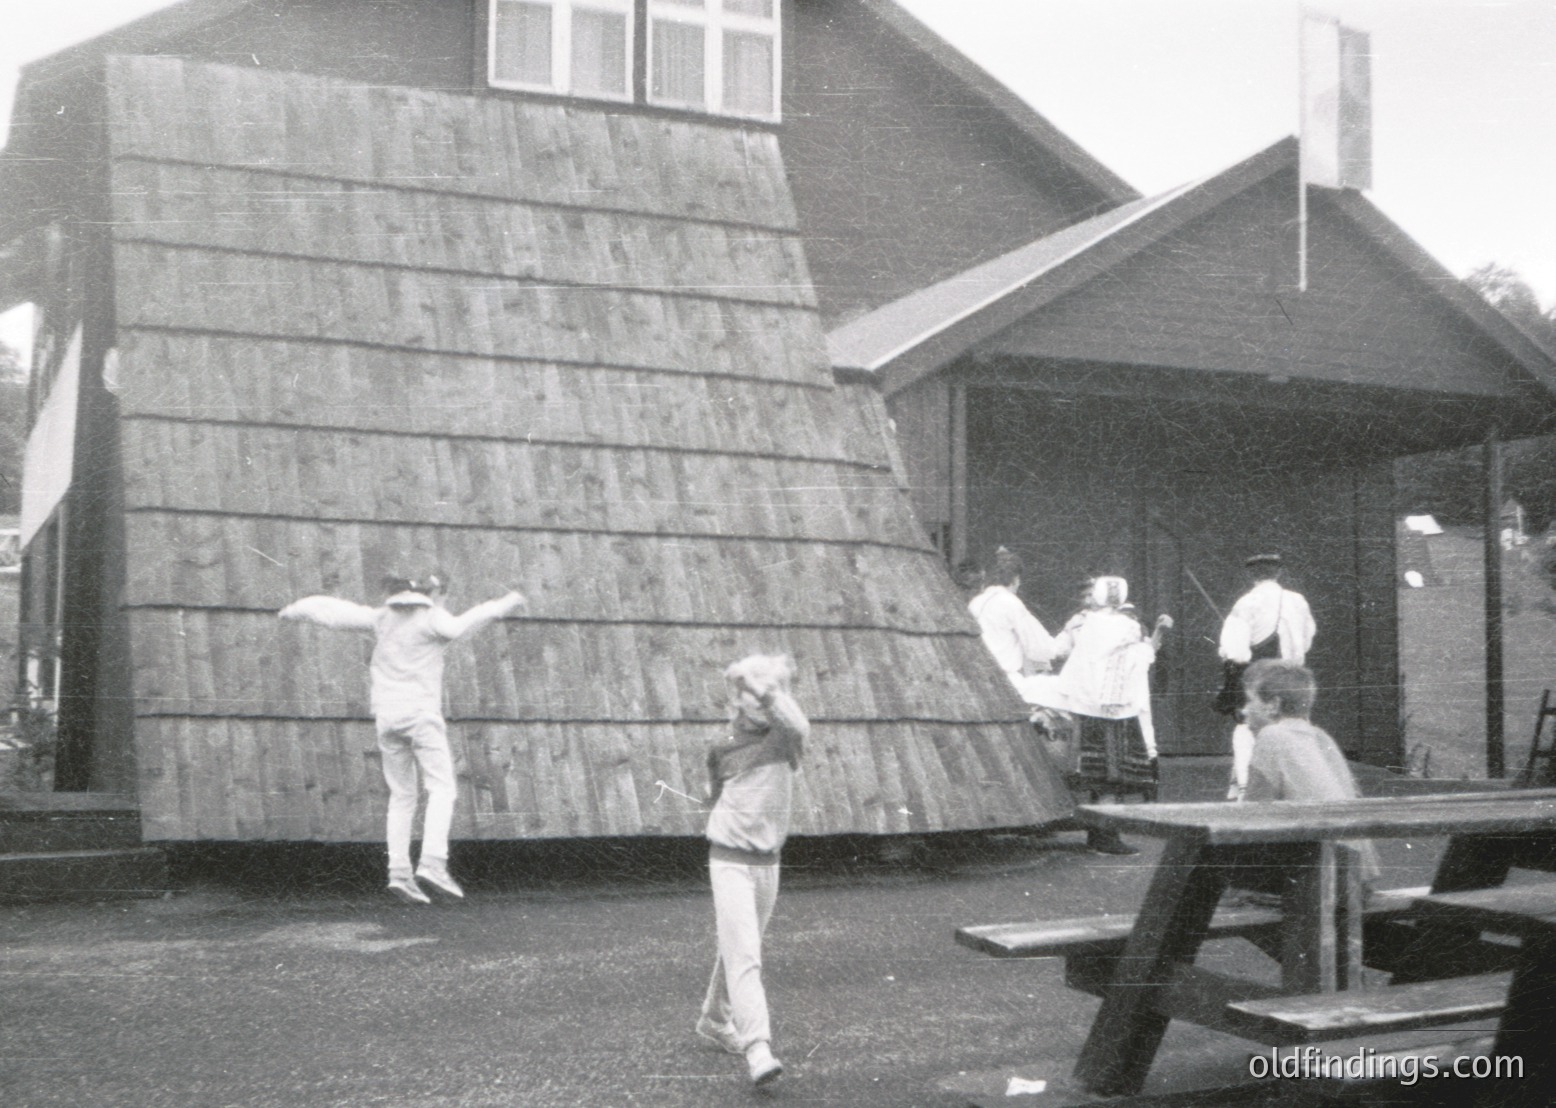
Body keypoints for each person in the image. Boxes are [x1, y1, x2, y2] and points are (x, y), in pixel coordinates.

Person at [279, 572, 526, 904]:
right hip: (421, 716)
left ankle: (399, 873)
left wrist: (298, 608)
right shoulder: (433, 617)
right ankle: (433, 864)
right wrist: (506, 603)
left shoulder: (382, 618)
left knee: (402, 796)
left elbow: (335, 611)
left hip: (387, 718)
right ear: (435, 593)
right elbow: (462, 626)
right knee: (441, 788)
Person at [695, 653, 809, 1088]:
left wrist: (763, 687)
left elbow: (798, 725)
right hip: (728, 858)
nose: (765, 702)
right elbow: (714, 793)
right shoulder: (721, 745)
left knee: (739, 945)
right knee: (746, 955)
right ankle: (757, 1047)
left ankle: (713, 1018)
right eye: (755, 694)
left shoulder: (786, 738)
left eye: (774, 693)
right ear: (737, 700)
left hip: (768, 861)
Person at [1031, 576, 1171, 855]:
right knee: (1113, 774)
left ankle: (1099, 832)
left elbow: (1074, 664)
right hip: (1119, 710)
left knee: (1095, 769)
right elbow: (1143, 658)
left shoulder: (1088, 625)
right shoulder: (1129, 626)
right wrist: (1157, 635)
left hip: (1089, 708)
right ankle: (1105, 836)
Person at [1233, 659, 1381, 895]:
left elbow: (1252, 814)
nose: (1244, 710)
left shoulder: (1272, 736)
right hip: (1357, 874)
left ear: (1274, 705)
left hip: (1324, 880)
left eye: (1250, 700)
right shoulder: (1320, 737)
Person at [1215, 554, 1315, 801]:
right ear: (1278, 572)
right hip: (1293, 675)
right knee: (1292, 726)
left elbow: (1236, 651)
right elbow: (1308, 636)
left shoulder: (1247, 603)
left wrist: (1226, 654)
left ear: (1251, 575)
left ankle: (1244, 791)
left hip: (1260, 675)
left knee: (1246, 729)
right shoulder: (1298, 601)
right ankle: (1290, 787)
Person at [967, 546, 1057, 703]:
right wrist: (1064, 641)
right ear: (1015, 579)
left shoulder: (975, 602)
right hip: (1005, 680)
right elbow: (1039, 647)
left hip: (976, 680)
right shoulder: (1010, 602)